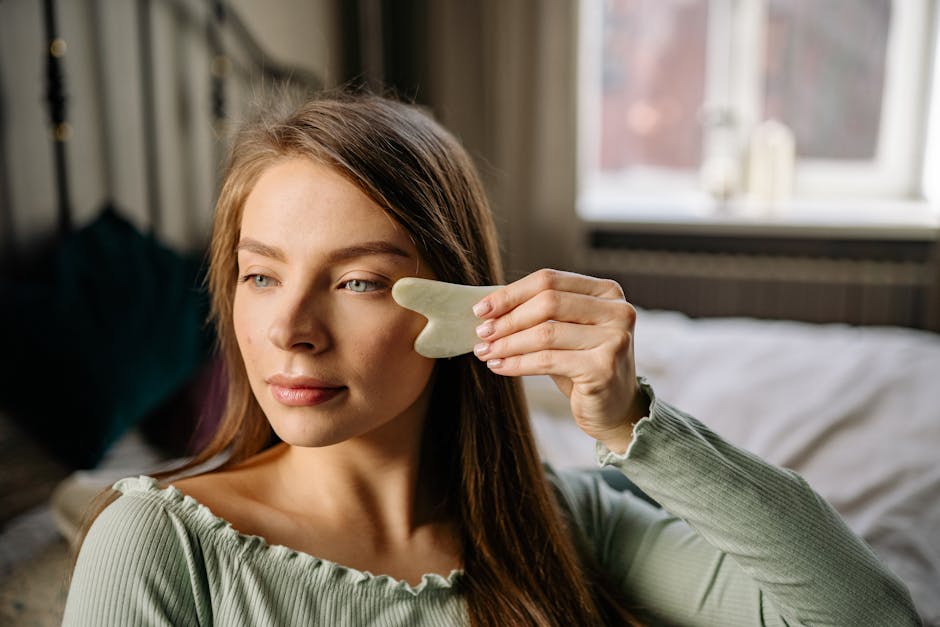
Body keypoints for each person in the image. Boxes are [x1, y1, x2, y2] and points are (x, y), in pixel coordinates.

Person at [62, 93, 919, 626]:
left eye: (356, 281)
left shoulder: (564, 524)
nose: (290, 327)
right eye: (259, 274)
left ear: (467, 306)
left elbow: (869, 617)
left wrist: (632, 423)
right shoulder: (159, 543)